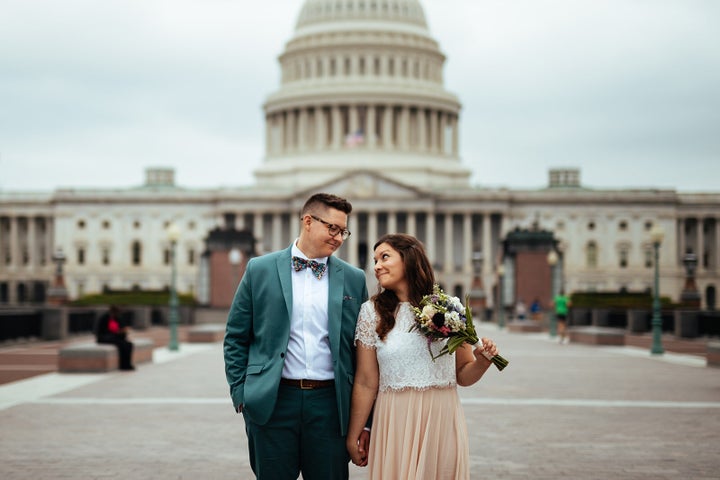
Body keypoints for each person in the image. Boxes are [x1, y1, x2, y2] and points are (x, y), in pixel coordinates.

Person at [224, 193, 370, 480]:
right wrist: (241, 394)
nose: (339, 238)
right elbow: (236, 336)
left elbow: (363, 350)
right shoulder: (260, 269)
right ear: (307, 221)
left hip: (330, 405)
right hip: (273, 401)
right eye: (333, 228)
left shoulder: (355, 278)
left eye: (344, 231)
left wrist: (366, 421)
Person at [346, 233, 501, 479]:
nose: (376, 266)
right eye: (375, 260)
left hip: (440, 417)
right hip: (394, 419)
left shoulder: (450, 308)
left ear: (408, 259)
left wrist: (483, 361)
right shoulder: (371, 312)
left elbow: (463, 374)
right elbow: (366, 381)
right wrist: (354, 434)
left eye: (384, 257)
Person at [95, 305, 134, 371]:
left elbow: (121, 329)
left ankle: (127, 364)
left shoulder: (118, 319)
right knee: (122, 345)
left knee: (129, 344)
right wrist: (116, 333)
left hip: (116, 337)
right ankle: (122, 365)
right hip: (105, 338)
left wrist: (123, 331)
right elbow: (102, 331)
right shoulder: (104, 318)